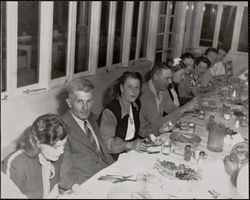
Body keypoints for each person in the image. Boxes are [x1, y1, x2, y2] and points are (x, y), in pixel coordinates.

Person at [58, 77, 115, 191]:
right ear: (69, 103)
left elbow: (102, 153)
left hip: (105, 175)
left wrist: (117, 169)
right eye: (79, 101)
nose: (85, 108)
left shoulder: (91, 118)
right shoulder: (61, 128)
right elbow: (66, 178)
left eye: (88, 101)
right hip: (85, 185)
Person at [2, 114, 68, 198]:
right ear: (37, 141)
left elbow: (53, 189)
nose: (61, 151)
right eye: (56, 146)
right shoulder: (16, 163)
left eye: (63, 145)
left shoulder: (55, 156)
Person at [139, 61, 199, 138]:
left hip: (157, 132)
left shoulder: (163, 89)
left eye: (170, 78)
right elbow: (156, 123)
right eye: (167, 78)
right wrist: (183, 108)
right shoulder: (144, 93)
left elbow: (172, 110)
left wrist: (189, 109)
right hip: (144, 136)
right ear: (155, 76)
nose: (170, 81)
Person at [99, 71, 147, 160]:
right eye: (129, 87)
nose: (133, 91)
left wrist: (160, 129)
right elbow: (108, 144)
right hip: (113, 158)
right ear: (121, 88)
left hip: (130, 154)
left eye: (137, 87)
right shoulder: (110, 111)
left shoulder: (135, 105)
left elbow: (142, 129)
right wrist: (130, 145)